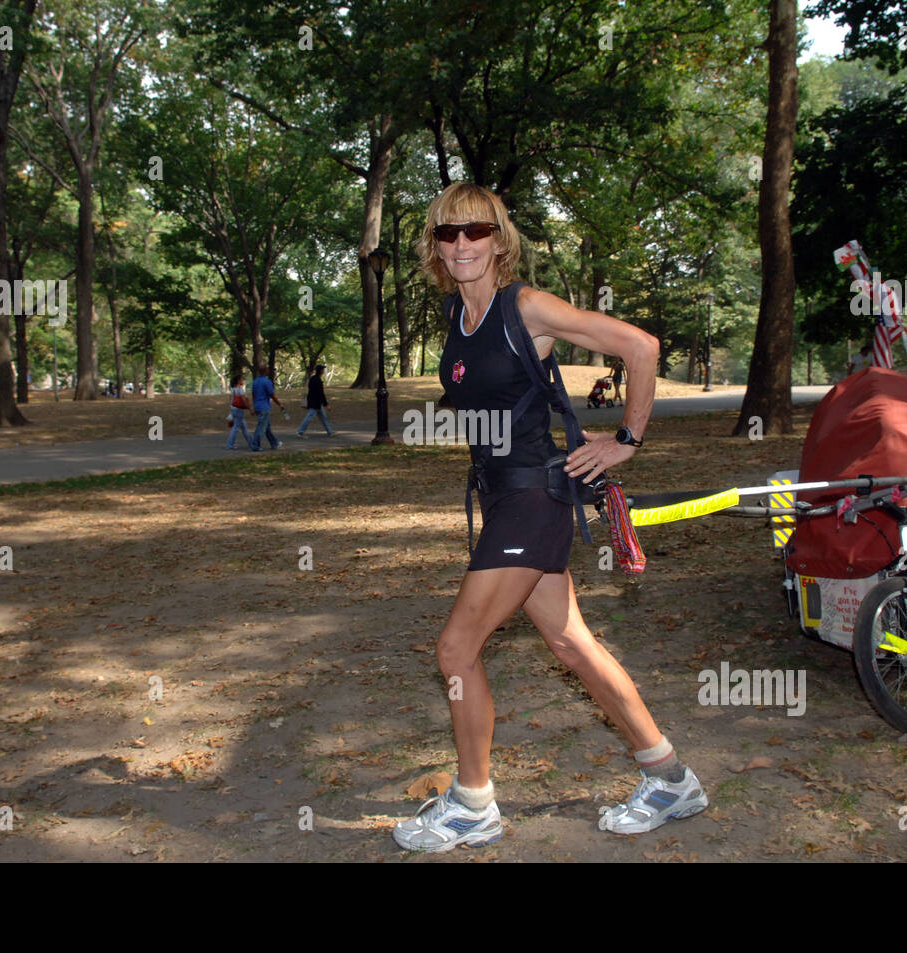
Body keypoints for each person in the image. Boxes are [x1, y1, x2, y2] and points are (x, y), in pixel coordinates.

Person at [391, 182, 707, 853]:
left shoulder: (525, 308)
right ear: (435, 247)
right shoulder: (458, 317)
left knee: (455, 648)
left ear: (499, 238)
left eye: (475, 231)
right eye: (448, 234)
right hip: (507, 496)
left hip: (535, 498)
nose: (462, 245)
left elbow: (641, 346)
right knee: (571, 644)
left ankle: (473, 804)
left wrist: (626, 439)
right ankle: (669, 775)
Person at [248, 363, 284, 451]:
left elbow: (253, 395)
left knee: (267, 427)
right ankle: (255, 445)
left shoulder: (255, 382)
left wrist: (254, 406)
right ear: (265, 371)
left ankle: (274, 443)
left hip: (258, 406)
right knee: (261, 427)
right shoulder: (267, 382)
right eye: (267, 369)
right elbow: (272, 395)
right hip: (264, 407)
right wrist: (280, 404)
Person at [295, 364, 334, 437]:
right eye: (323, 369)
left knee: (323, 417)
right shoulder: (318, 381)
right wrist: (326, 404)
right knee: (309, 417)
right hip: (316, 403)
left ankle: (330, 432)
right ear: (321, 371)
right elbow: (321, 393)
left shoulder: (312, 378)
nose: (323, 371)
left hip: (315, 402)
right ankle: (300, 432)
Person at [225, 374, 252, 450]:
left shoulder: (232, 389)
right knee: (236, 428)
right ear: (238, 381)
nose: (243, 381)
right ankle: (230, 444)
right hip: (239, 410)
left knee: (244, 428)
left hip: (233, 409)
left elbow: (231, 400)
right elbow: (243, 400)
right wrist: (249, 408)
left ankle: (252, 442)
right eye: (242, 379)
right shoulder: (240, 390)